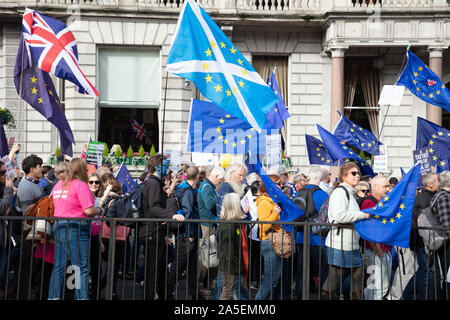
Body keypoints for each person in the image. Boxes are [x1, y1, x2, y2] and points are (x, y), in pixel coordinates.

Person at [48, 158, 104, 300]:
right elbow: (89, 210)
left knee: (59, 267)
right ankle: (80, 297)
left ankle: (54, 297)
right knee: (81, 268)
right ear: (81, 170)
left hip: (59, 226)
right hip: (77, 228)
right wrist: (100, 210)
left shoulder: (58, 185)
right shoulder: (80, 185)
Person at [321, 162, 370, 300]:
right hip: (339, 242)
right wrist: (363, 215)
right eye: (353, 173)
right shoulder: (340, 192)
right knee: (335, 276)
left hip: (349, 243)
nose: (357, 176)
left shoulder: (348, 192)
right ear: (344, 176)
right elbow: (339, 216)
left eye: (358, 173)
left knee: (356, 274)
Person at [139, 154, 184, 300]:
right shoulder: (153, 183)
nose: (169, 168)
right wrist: (171, 215)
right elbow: (153, 207)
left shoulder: (155, 183)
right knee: (152, 272)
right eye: (166, 164)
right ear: (158, 167)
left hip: (157, 232)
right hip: (151, 232)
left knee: (159, 270)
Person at [400, 172, 439, 300]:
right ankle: (417, 295)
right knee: (426, 270)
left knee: (423, 269)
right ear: (430, 184)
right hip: (422, 241)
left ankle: (407, 295)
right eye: (437, 181)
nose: (439, 183)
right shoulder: (426, 199)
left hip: (419, 240)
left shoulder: (423, 197)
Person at [295, 167, 329, 300]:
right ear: (321, 180)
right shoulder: (324, 195)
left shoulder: (299, 193)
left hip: (300, 237)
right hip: (317, 239)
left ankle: (300, 296)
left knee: (302, 271)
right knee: (322, 271)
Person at [167, 166, 200, 300]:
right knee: (179, 266)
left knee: (191, 267)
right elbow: (188, 214)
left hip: (186, 234)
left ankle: (195, 294)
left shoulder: (184, 188)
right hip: (186, 235)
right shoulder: (187, 192)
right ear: (197, 176)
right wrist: (190, 234)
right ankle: (167, 292)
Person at [15, 154, 44, 299]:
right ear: (32, 169)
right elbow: (27, 211)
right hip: (30, 229)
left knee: (32, 262)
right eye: (39, 167)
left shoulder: (32, 183)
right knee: (28, 263)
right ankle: (22, 293)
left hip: (34, 229)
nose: (41, 169)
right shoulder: (26, 185)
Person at [360, 175, 392, 300]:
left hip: (384, 249)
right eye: (386, 186)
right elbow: (368, 229)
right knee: (376, 287)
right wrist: (377, 248)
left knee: (383, 286)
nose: (388, 189)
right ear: (376, 187)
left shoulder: (381, 202)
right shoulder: (369, 202)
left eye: (388, 186)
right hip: (374, 251)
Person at [197, 166, 225, 297]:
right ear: (217, 177)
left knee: (213, 256)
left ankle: (211, 284)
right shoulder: (207, 187)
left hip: (210, 224)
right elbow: (209, 204)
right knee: (204, 257)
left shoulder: (208, 186)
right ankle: (199, 286)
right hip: (206, 226)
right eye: (221, 180)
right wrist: (219, 193)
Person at [254, 174, 282, 300]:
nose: (281, 186)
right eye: (278, 183)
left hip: (276, 241)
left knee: (274, 279)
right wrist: (275, 214)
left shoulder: (273, 200)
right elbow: (263, 227)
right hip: (269, 242)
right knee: (270, 279)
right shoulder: (264, 202)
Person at [218, 193, 246, 300]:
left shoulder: (232, 224)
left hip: (230, 264)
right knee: (227, 291)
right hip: (229, 264)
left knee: (229, 292)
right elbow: (228, 249)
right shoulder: (228, 226)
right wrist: (238, 263)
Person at [428, 170, 450, 299]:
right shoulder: (445, 198)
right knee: (447, 276)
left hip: (443, 242)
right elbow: (447, 225)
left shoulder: (438, 195)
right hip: (446, 243)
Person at [0, 161, 16, 298]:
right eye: (1, 172)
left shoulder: (3, 188)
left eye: (5, 172)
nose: (5, 175)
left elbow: (7, 209)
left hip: (3, 236)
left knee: (2, 269)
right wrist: (8, 191)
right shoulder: (5, 189)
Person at [87, 172, 103, 300]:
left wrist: (101, 241)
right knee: (84, 269)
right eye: (91, 182)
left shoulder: (100, 198)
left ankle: (95, 295)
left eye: (96, 182)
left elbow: (100, 223)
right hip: (84, 236)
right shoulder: (86, 198)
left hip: (96, 237)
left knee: (97, 269)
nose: (94, 184)